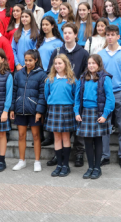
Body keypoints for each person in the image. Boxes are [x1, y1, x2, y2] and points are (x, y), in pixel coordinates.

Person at [46, 22, 89, 167]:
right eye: (65, 33)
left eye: (70, 32)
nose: (67, 35)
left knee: (76, 128)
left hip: (75, 92)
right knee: (59, 132)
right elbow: (49, 72)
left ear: (76, 35)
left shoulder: (83, 53)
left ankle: (78, 154)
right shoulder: (57, 51)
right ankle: (58, 157)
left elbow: (85, 73)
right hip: (58, 94)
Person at [98, 25, 121, 168]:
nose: (110, 37)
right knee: (105, 126)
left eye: (113, 34)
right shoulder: (100, 54)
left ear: (118, 36)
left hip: (120, 92)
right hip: (105, 94)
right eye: (108, 35)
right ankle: (105, 155)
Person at [75, 54, 115, 179]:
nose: (91, 66)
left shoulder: (105, 78)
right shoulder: (82, 78)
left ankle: (97, 167)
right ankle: (90, 167)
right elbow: (77, 98)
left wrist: (105, 115)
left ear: (99, 64)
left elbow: (110, 98)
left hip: (98, 113)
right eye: (89, 63)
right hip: (85, 113)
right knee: (87, 141)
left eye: (94, 63)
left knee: (98, 140)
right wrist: (76, 112)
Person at [11, 49, 47, 172]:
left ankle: (37, 161)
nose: (27, 63)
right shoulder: (19, 73)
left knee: (36, 136)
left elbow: (42, 95)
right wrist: (12, 108)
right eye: (26, 60)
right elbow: (14, 91)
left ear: (36, 60)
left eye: (30, 60)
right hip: (20, 108)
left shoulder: (42, 74)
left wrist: (39, 111)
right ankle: (22, 161)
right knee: (21, 135)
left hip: (34, 110)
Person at [45, 54, 79, 177]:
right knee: (57, 138)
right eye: (56, 63)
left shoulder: (72, 80)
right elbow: (46, 95)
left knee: (66, 138)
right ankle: (59, 164)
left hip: (67, 109)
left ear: (65, 64)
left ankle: (66, 165)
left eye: (60, 63)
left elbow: (76, 97)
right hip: (54, 109)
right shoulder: (50, 79)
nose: (58, 66)